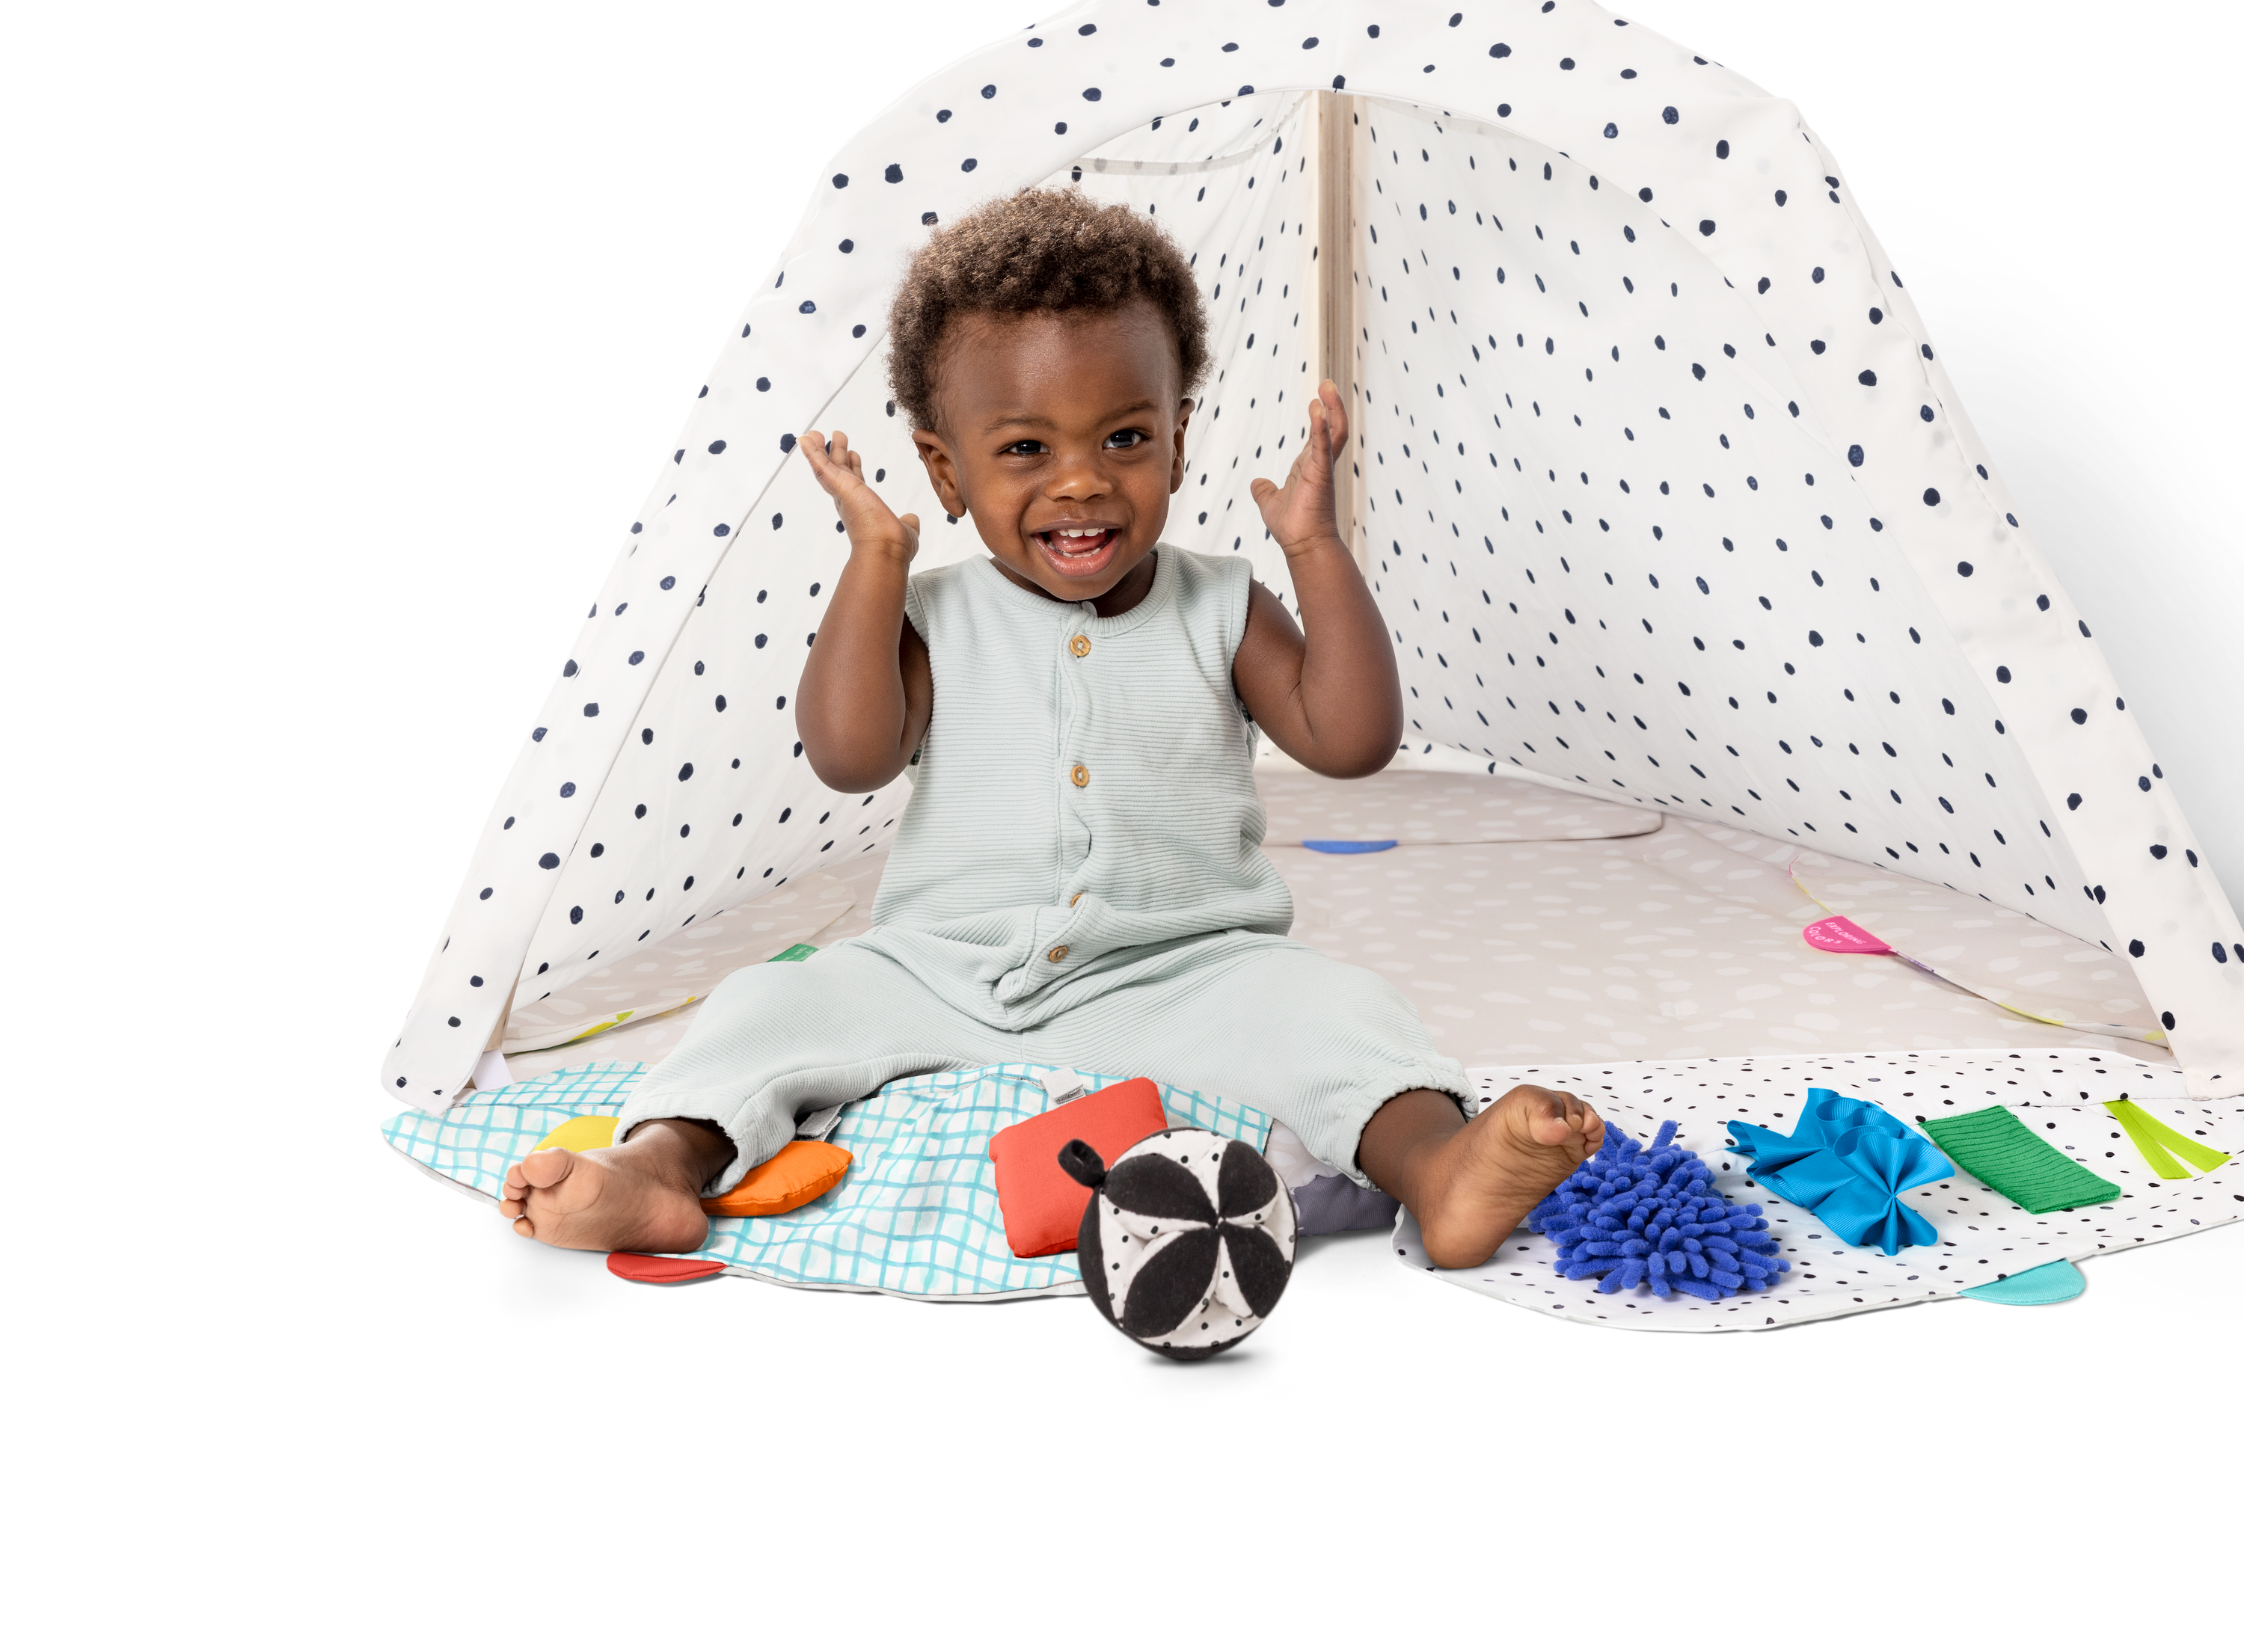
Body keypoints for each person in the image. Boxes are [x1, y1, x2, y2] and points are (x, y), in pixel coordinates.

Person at [500, 188, 1602, 1268]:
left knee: (1338, 1013)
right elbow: (849, 756)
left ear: (1177, 440)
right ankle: (658, 1170)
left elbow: (1349, 739)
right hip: (936, 970)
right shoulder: (936, 611)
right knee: (769, 1005)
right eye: (1026, 450)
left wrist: (1313, 548)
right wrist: (877, 562)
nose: (1083, 482)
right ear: (946, 469)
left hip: (1185, 971)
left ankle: (1444, 1169)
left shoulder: (1220, 602)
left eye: (1125, 437)